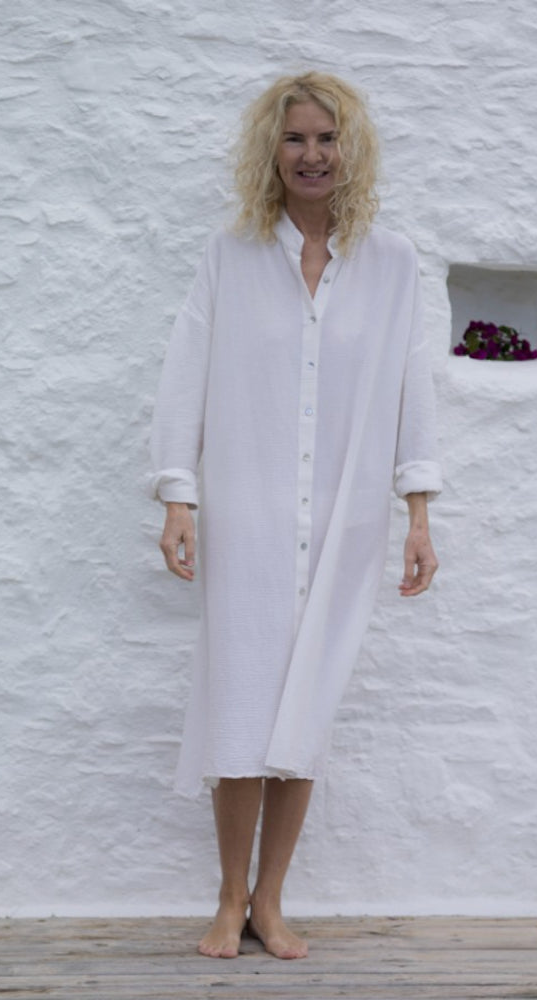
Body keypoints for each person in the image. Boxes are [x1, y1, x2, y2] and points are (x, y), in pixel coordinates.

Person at [149, 71, 441, 960]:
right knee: (241, 701)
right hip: (248, 517)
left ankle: (270, 900)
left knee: (304, 709)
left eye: (326, 138)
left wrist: (418, 513)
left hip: (344, 522)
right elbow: (186, 373)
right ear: (270, 152)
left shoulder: (392, 264)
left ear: (351, 149)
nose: (311, 155)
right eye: (294, 139)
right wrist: (178, 497)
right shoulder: (229, 257)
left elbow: (412, 385)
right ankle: (227, 896)